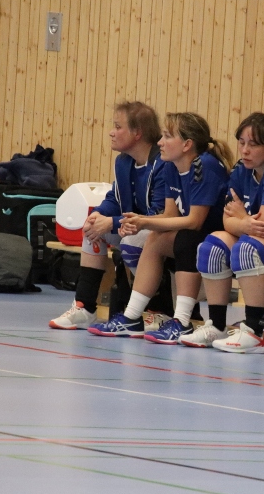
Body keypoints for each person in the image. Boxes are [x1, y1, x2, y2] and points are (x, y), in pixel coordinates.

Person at [87, 112, 233, 339]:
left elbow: (195, 221)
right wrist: (138, 223)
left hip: (219, 240)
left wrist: (145, 221)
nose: (160, 142)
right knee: (155, 238)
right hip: (195, 237)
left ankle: (182, 321)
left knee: (185, 239)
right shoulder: (171, 166)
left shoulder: (205, 165)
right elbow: (169, 215)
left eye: (167, 136)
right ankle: (131, 317)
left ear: (187, 144)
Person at [184, 112, 264, 352]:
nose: (245, 150)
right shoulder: (242, 168)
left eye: (253, 144)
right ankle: (217, 326)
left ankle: (254, 332)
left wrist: (242, 218)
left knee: (247, 249)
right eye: (241, 143)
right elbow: (227, 220)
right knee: (212, 246)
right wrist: (244, 222)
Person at [49, 101, 167, 330]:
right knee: (92, 230)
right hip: (132, 227)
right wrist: (99, 215)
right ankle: (84, 307)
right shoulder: (123, 161)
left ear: (137, 133)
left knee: (132, 240)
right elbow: (115, 198)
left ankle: (158, 310)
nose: (111, 132)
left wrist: (111, 223)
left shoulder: (161, 164)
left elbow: (158, 214)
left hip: (157, 230)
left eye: (118, 127)